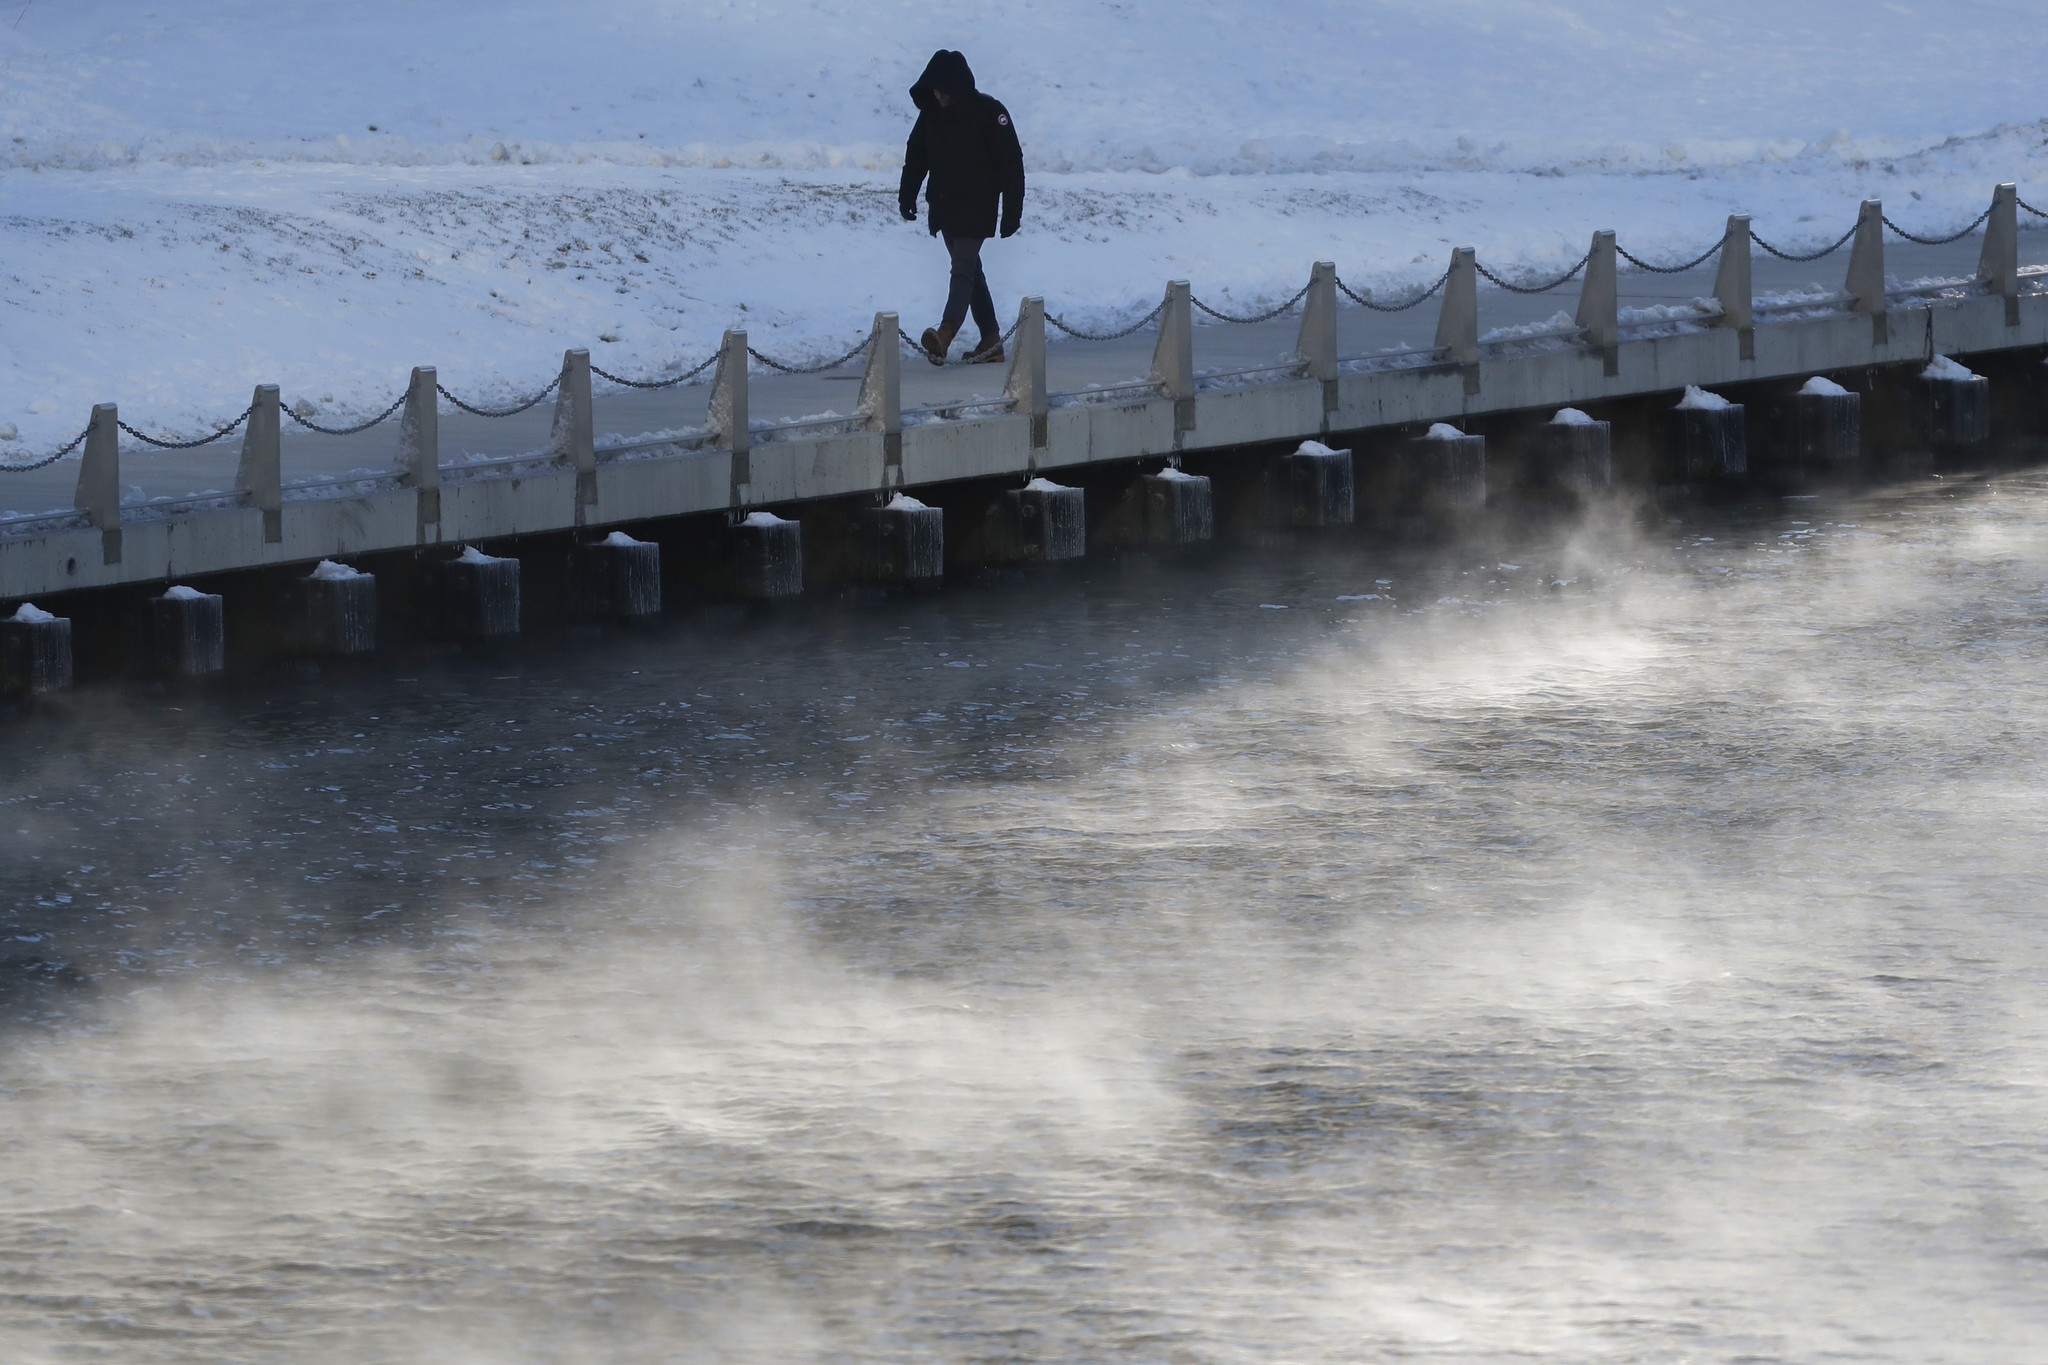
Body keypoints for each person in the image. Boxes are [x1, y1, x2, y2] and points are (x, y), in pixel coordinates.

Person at [898, 50, 1024, 365]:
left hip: (977, 207)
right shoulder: (930, 115)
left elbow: (1011, 163)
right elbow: (916, 156)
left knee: (962, 267)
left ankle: (946, 331)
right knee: (970, 271)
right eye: (934, 90)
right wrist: (907, 195)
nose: (938, 96)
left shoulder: (989, 112)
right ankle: (992, 340)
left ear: (955, 86)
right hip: (944, 206)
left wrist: (1011, 212)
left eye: (942, 90)